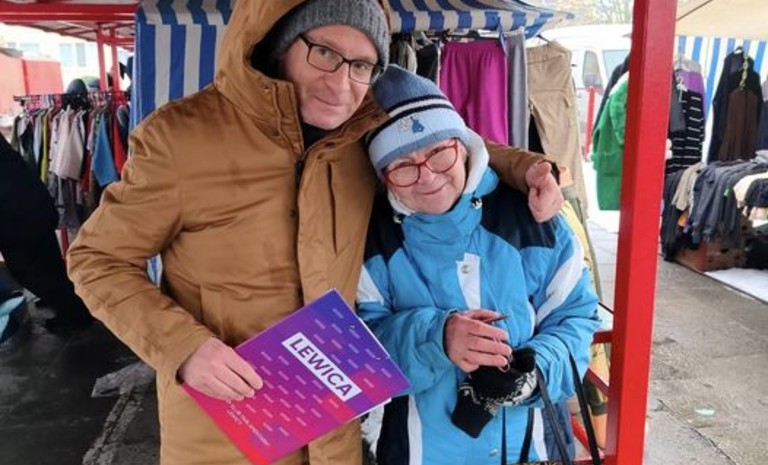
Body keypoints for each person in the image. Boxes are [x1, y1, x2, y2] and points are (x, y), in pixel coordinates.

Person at [67, 1, 563, 464]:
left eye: (361, 65)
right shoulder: (182, 138)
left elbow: (438, 139)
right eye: (324, 53)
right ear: (280, 44)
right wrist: (183, 348)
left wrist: (526, 169)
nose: (341, 84)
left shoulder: (358, 137)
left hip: (331, 430)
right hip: (223, 435)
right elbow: (97, 259)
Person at [356, 65, 600, 465]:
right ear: (384, 176)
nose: (427, 176)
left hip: (534, 449)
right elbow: (359, 351)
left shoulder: (531, 220)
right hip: (418, 453)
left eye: (439, 152)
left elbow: (576, 317)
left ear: (464, 144)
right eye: (403, 165)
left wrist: (533, 373)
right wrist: (436, 338)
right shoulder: (372, 242)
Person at [0, 136, 92, 332]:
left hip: (18, 215)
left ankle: (75, 314)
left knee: (30, 271)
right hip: (31, 204)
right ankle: (68, 302)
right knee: (49, 265)